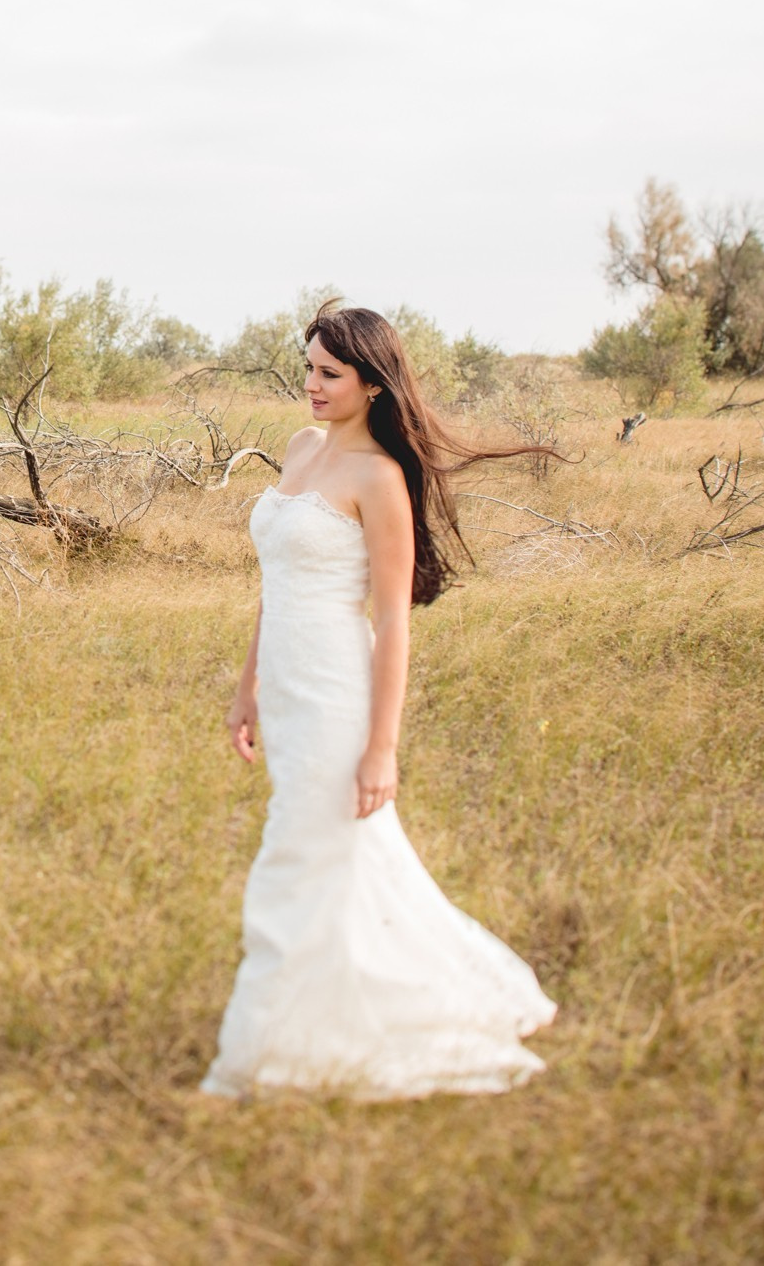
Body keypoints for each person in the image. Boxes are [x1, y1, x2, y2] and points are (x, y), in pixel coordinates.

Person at [202, 302, 555, 1100]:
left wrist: (381, 746)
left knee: (298, 854)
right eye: (309, 367)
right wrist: (245, 686)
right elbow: (276, 585)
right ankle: (339, 1011)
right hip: (286, 689)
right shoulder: (301, 449)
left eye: (331, 373)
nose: (313, 385)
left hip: (337, 692)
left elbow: (393, 621)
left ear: (372, 385)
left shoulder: (379, 479)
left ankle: (273, 1054)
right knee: (344, 861)